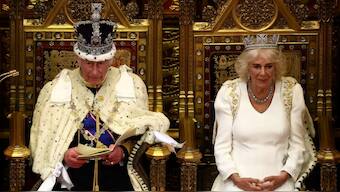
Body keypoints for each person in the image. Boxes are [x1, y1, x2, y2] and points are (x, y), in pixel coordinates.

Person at [29, 3, 169, 191]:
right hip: (69, 179)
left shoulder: (131, 85)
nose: (95, 71)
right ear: (78, 58)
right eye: (88, 63)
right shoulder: (55, 89)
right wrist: (64, 155)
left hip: (118, 178)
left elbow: (143, 133)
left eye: (102, 63)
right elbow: (43, 139)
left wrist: (123, 152)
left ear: (111, 59)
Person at [211, 34, 316, 191]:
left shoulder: (291, 91)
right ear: (247, 67)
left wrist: (285, 175)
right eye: (256, 66)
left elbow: (298, 144)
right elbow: (221, 147)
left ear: (276, 67)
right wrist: (236, 179)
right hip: (236, 180)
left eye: (269, 66)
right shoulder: (229, 92)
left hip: (280, 179)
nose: (263, 73)